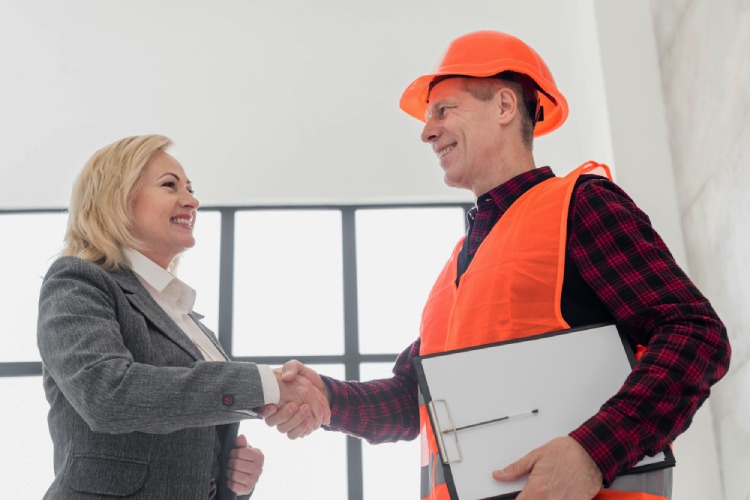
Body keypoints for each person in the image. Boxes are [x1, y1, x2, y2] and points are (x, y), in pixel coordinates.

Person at [261, 31, 731, 499]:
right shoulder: (459, 267)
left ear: (505, 107)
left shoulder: (579, 205)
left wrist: (593, 452)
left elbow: (695, 334)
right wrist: (329, 399)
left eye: (444, 110)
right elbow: (415, 396)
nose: (427, 131)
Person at [37, 134, 330, 500]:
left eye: (190, 188)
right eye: (169, 185)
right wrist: (267, 384)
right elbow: (108, 395)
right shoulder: (78, 280)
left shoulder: (188, 320)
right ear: (117, 199)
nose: (192, 200)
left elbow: (185, 433)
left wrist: (233, 481)